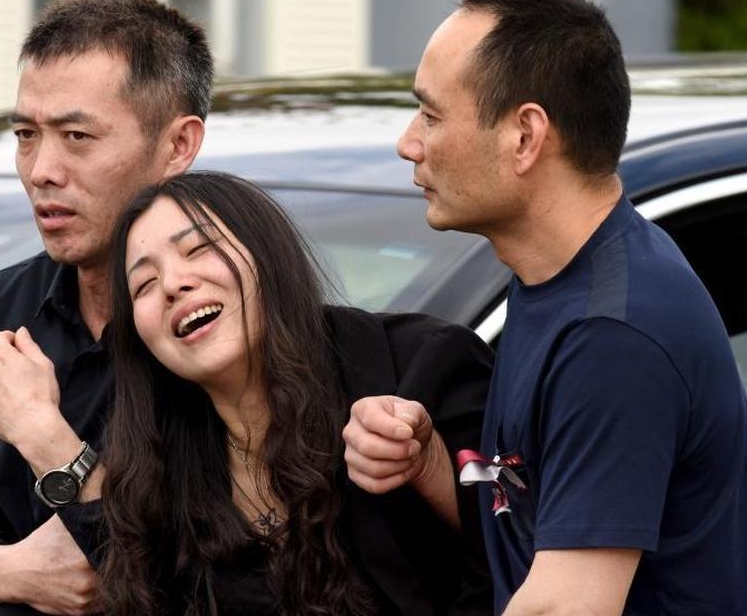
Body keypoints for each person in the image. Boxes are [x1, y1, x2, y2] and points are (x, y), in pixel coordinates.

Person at [352, 0, 747, 614]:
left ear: (525, 137)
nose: (409, 142)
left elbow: (563, 605)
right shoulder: (561, 281)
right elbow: (528, 514)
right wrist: (429, 467)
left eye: (432, 115)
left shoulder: (613, 333)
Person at [0, 0, 212, 615]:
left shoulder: (222, 320)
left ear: (178, 146)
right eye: (26, 134)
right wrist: (5, 572)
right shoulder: (3, 308)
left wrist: (45, 436)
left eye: (77, 135)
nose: (41, 168)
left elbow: (193, 573)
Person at [81, 171, 490, 616]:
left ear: (266, 252)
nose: (173, 284)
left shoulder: (420, 366)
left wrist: (427, 461)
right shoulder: (155, 466)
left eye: (199, 248)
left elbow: (523, 553)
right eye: (143, 284)